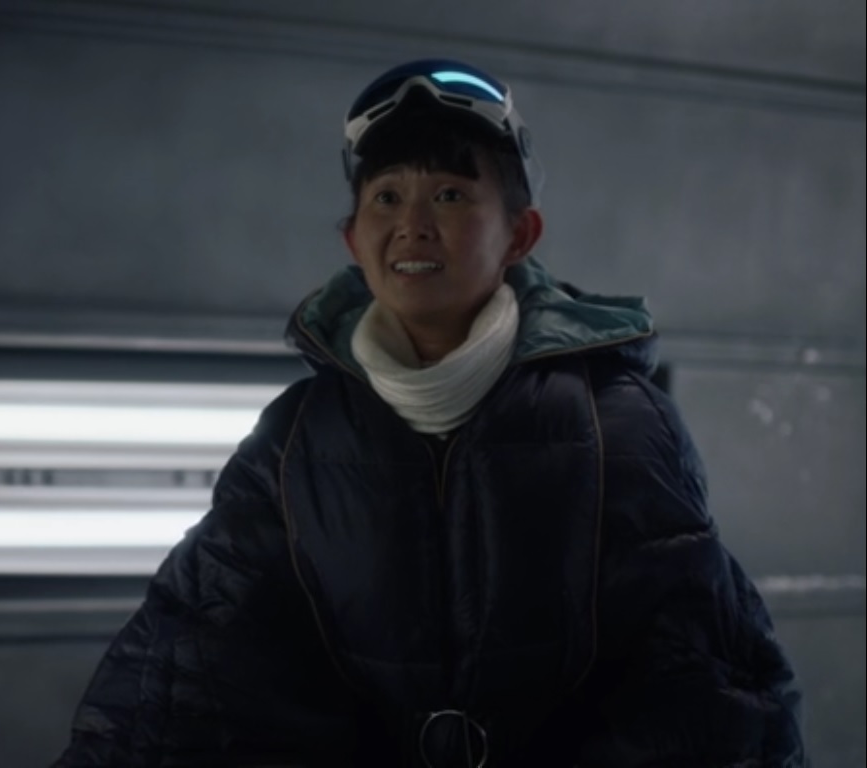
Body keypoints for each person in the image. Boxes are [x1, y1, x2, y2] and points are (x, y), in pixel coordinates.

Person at [52, 58, 806, 767]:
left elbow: (697, 682)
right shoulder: (294, 441)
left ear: (519, 235)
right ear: (354, 239)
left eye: (450, 194)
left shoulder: (617, 425)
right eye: (386, 197)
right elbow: (194, 667)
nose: (413, 223)